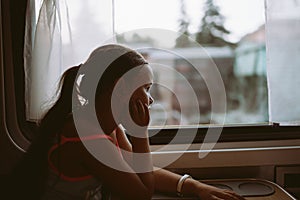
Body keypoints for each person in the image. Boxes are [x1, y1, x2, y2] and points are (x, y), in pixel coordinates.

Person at [7, 44, 245, 200]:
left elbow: (136, 169)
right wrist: (140, 133)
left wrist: (193, 186)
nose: (150, 100)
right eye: (146, 88)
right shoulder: (87, 138)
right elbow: (141, 193)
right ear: (121, 89)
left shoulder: (105, 127)